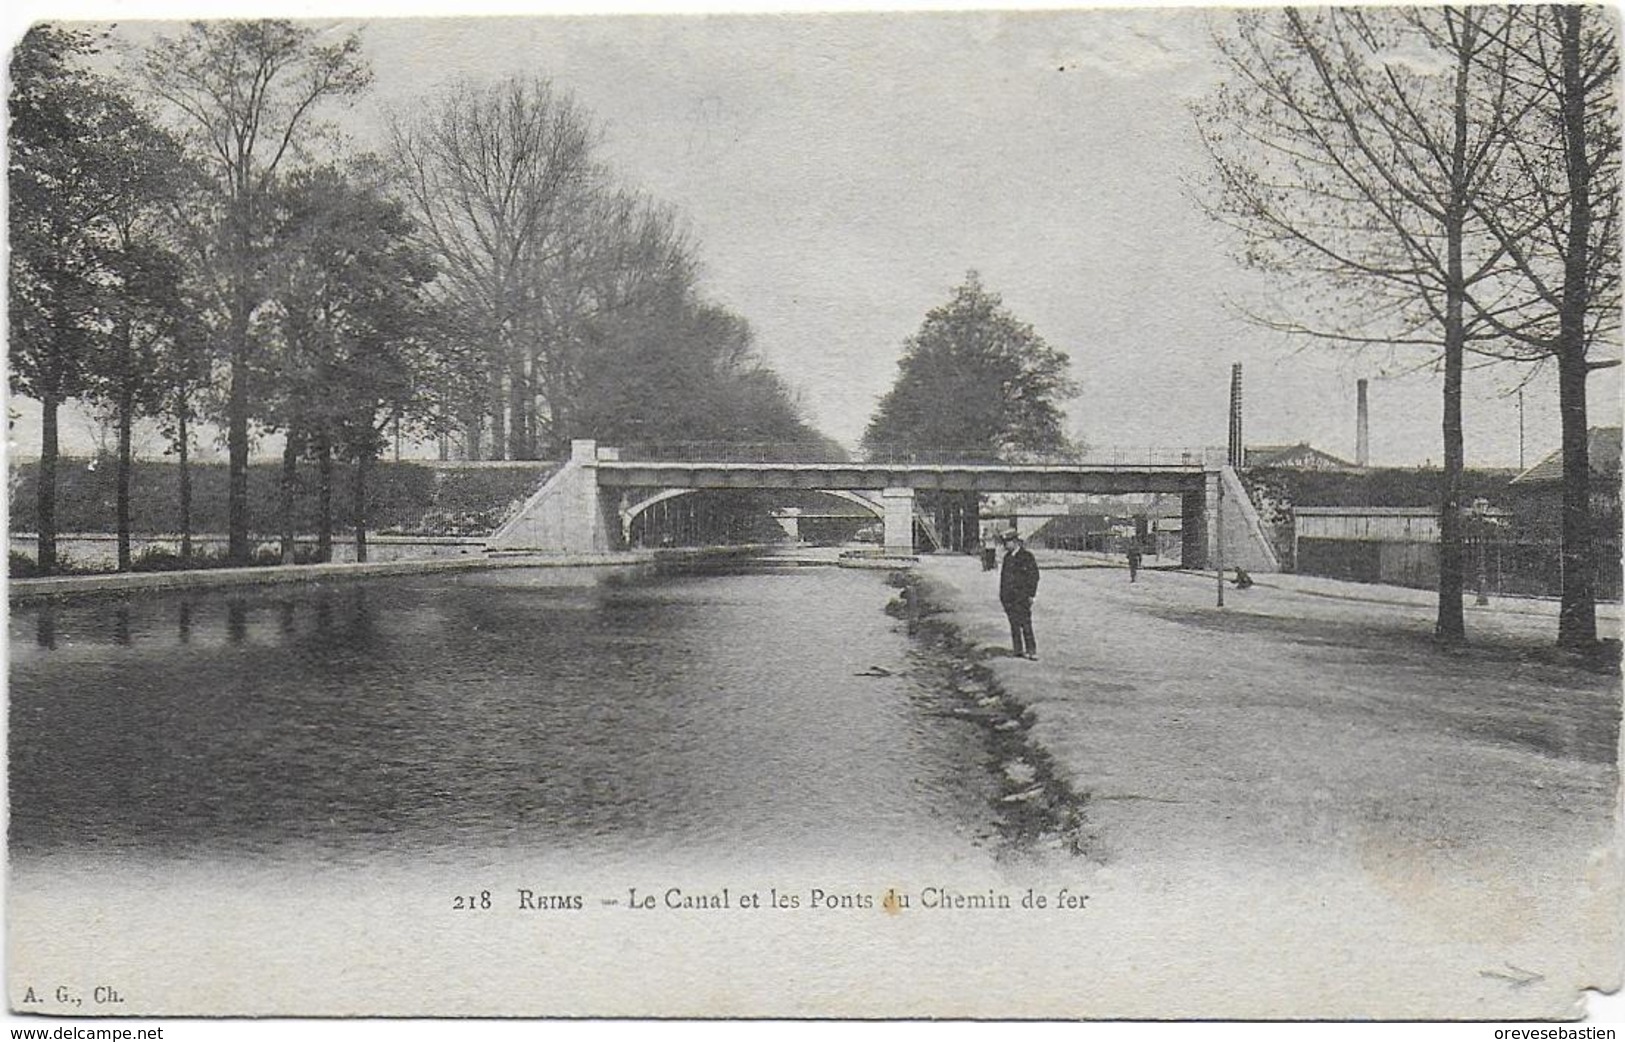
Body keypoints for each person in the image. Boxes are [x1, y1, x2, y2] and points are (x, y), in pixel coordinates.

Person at [999, 529, 1040, 660]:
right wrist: (1002, 596)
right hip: (1009, 598)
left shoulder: (1027, 556)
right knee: (1014, 624)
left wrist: (1031, 595)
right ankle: (1018, 649)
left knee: (1026, 623)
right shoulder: (1007, 558)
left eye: (1007, 542)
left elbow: (1034, 576)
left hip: (1022, 596)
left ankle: (1031, 650)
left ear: (1015, 542)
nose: (1005, 545)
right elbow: (1003, 578)